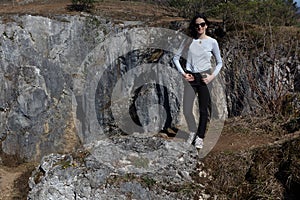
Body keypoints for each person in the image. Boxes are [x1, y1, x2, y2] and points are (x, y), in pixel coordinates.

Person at [173, 13, 223, 149]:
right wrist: (183, 73)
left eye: (202, 24)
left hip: (205, 77)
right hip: (190, 77)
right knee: (187, 109)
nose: (199, 27)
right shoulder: (188, 41)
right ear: (194, 27)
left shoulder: (212, 42)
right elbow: (175, 58)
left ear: (206, 26)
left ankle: (200, 137)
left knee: (203, 109)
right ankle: (193, 131)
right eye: (197, 25)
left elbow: (219, 63)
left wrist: (212, 77)